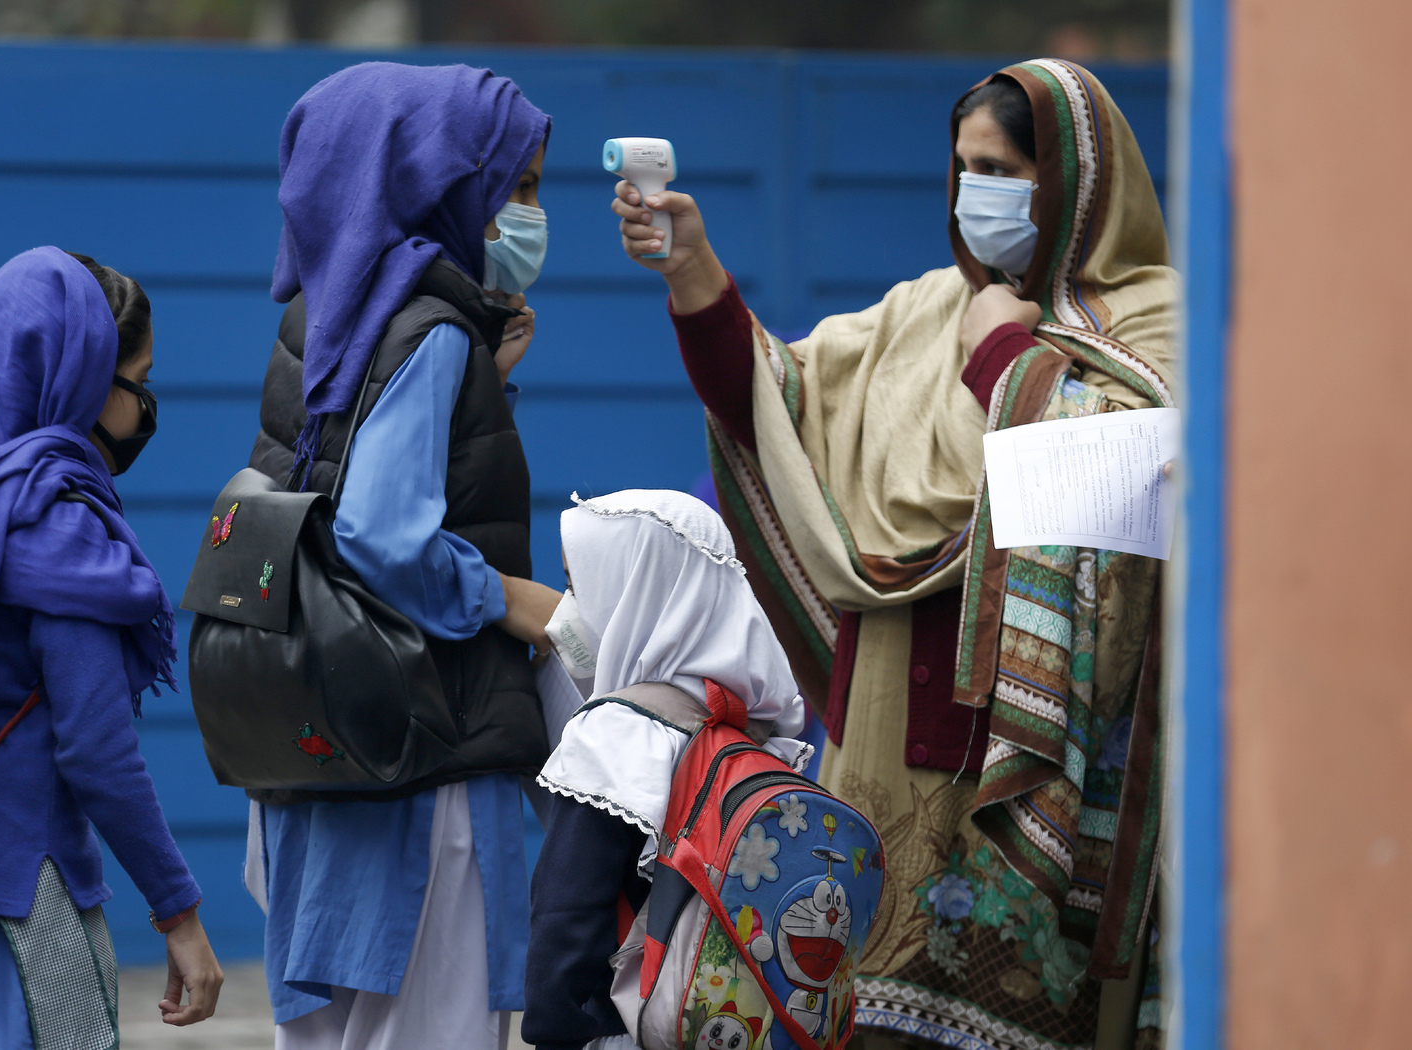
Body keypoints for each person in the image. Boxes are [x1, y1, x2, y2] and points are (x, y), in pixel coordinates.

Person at [611, 60, 1174, 1050]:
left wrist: (1003, 356)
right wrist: (691, 273)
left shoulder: (1152, 320)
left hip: (1042, 769)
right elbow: (772, 406)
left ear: (1074, 184)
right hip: (886, 734)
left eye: (1000, 171)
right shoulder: (920, 314)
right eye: (963, 169)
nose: (973, 195)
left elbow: (1128, 487)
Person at [241, 62, 564, 1049]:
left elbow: (339, 488)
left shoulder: (323, 318)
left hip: (321, 751)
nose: (529, 216)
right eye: (515, 186)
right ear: (439, 183)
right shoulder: (431, 331)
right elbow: (381, 535)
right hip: (426, 762)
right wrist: (513, 599)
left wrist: (484, 387)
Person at [0, 247, 224, 1048]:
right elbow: (96, 749)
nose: (145, 407)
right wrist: (179, 911)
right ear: (81, 381)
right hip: (25, 901)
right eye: (138, 381)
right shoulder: (56, 524)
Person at [522, 489, 812, 1050]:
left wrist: (549, 1030)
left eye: (581, 585)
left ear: (635, 593)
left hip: (627, 1024)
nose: (572, 604)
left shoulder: (618, 732)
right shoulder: (758, 736)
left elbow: (567, 906)